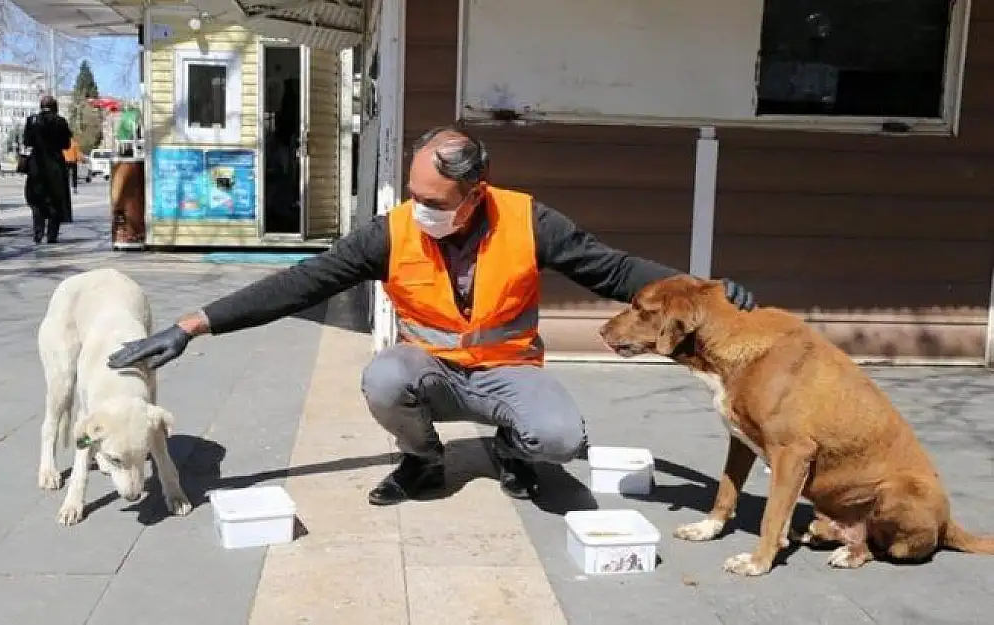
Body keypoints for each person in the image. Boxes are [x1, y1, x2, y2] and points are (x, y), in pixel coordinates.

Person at [107, 127, 756, 505]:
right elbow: (303, 283)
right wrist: (195, 323)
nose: (419, 206)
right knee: (383, 377)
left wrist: (706, 291)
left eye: (434, 198)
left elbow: (613, 270)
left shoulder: (530, 221)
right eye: (414, 192)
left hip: (508, 372)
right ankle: (422, 457)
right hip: (433, 372)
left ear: (474, 194)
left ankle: (511, 449)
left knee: (561, 438)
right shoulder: (390, 232)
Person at [22, 95, 72, 244]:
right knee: (55, 200)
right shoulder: (60, 121)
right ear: (55, 106)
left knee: (37, 201)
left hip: (36, 165)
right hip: (55, 166)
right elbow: (66, 145)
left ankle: (38, 233)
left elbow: (26, 141)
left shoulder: (32, 120)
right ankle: (52, 234)